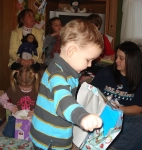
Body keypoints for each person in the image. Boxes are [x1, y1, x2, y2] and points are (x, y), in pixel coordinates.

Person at [30, 19, 104, 150]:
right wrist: (82, 117)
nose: (90, 65)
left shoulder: (62, 68)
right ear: (71, 51)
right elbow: (63, 100)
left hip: (50, 133)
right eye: (88, 59)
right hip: (51, 140)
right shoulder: (58, 75)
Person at [91, 41, 142, 150]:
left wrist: (119, 109)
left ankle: (111, 145)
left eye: (121, 58)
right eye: (117, 57)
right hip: (102, 117)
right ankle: (110, 144)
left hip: (125, 119)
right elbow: (92, 93)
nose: (116, 60)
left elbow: (137, 109)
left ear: (132, 61)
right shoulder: (106, 73)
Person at [0, 66, 40, 137]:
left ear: (34, 82)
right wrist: (10, 107)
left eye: (28, 87)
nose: (25, 89)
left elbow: (46, 103)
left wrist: (36, 110)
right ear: (17, 82)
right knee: (7, 133)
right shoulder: (14, 88)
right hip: (16, 117)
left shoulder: (38, 89)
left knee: (38, 135)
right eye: (22, 87)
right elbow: (2, 99)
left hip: (32, 117)